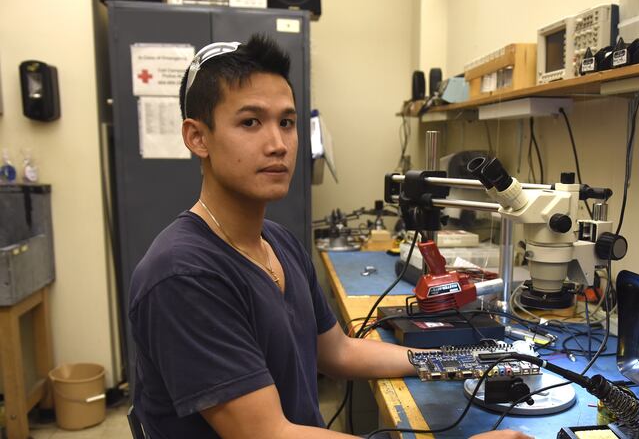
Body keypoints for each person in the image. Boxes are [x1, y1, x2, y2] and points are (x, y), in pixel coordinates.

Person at [128, 33, 533, 439]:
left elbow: (339, 352)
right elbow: (268, 434)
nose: (278, 144)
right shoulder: (182, 275)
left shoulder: (278, 242)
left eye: (286, 122)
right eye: (250, 122)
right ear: (197, 137)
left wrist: (456, 358)